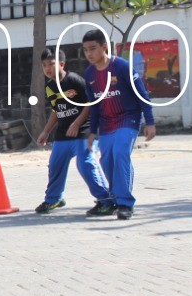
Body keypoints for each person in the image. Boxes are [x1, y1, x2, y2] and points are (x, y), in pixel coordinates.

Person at [80, 29, 156, 220]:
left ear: (104, 47)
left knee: (120, 153)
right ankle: (115, 197)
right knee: (106, 160)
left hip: (128, 119)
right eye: (85, 50)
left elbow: (142, 95)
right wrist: (92, 131)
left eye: (93, 48)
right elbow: (94, 105)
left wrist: (150, 122)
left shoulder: (122, 67)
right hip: (106, 124)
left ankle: (125, 203)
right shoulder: (89, 74)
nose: (89, 54)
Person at [34, 47, 110, 214]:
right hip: (63, 133)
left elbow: (90, 104)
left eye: (51, 64)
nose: (47, 68)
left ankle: (106, 200)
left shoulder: (75, 81)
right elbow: (56, 110)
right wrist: (46, 131)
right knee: (55, 165)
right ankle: (54, 199)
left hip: (84, 130)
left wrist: (76, 123)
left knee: (85, 163)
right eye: (44, 65)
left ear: (61, 64)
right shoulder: (50, 87)